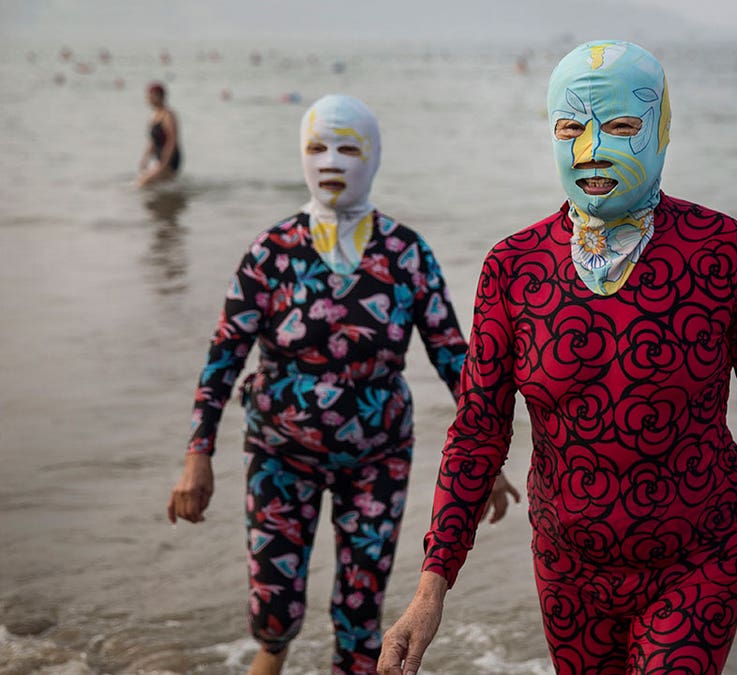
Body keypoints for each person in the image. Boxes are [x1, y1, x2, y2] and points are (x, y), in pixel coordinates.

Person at [379, 41, 737, 675]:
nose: (590, 149)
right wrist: (431, 587)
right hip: (568, 569)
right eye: (569, 129)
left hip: (700, 556)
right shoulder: (514, 267)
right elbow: (478, 433)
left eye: (618, 126)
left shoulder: (717, 249)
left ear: (662, 130)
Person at [166, 94, 518, 675]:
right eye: (316, 146)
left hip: (378, 458)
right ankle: (272, 653)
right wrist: (196, 454)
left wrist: (488, 464)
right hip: (279, 454)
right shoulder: (270, 252)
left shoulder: (407, 254)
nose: (331, 159)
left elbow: (457, 360)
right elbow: (224, 354)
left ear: (373, 156)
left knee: (361, 618)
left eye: (348, 146)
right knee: (273, 611)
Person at [137, 81, 182, 187]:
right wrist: (145, 159)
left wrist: (165, 162)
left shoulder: (168, 115)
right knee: (148, 183)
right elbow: (152, 141)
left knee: (143, 183)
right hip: (158, 158)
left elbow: (172, 140)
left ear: (159, 96)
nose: (147, 99)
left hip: (169, 159)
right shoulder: (154, 115)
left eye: (150, 96)